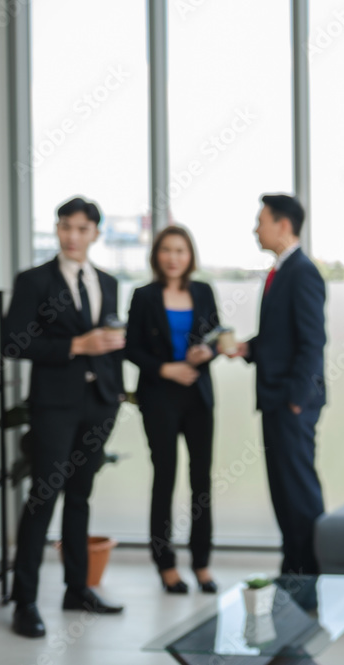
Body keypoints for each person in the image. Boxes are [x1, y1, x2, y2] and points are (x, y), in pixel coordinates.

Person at [4, 196, 127, 638]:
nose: (72, 236)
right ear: (57, 230)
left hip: (99, 404)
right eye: (64, 227)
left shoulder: (108, 282)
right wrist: (77, 346)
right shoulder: (35, 281)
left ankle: (78, 588)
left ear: (95, 233)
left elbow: (111, 338)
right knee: (43, 497)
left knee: (80, 497)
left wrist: (117, 388)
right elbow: (13, 342)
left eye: (81, 229)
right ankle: (25, 602)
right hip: (55, 405)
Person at [224, 194, 327, 575]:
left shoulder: (302, 272)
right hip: (276, 399)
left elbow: (312, 341)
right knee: (284, 491)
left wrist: (296, 400)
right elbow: (279, 337)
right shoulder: (280, 272)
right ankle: (293, 570)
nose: (256, 228)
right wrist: (247, 348)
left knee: (298, 491)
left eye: (260, 220)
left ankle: (311, 575)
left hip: (290, 402)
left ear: (283, 225)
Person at [125, 226, 220, 594]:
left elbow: (215, 336)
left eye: (180, 250)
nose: (173, 257)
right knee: (164, 478)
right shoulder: (144, 296)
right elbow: (131, 348)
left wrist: (206, 353)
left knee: (202, 482)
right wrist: (166, 368)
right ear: (157, 255)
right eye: (166, 250)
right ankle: (165, 563)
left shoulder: (204, 292)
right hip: (159, 397)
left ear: (190, 255)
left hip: (198, 396)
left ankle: (201, 562)